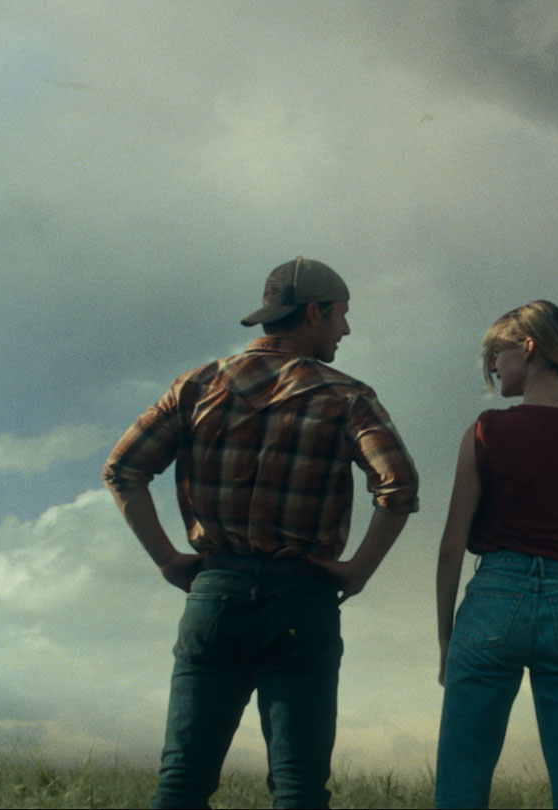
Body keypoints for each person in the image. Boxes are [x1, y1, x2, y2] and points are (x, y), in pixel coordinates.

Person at [102, 257, 419, 808]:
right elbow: (398, 484)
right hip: (302, 601)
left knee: (182, 780)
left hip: (215, 594)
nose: (346, 329)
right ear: (314, 312)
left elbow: (123, 469)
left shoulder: (195, 385)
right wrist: (358, 570)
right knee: (298, 787)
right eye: (342, 315)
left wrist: (168, 560)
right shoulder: (347, 396)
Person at [434, 300, 558, 809]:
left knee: (461, 783)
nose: (493, 366)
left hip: (493, 603)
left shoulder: (486, 431)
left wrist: (445, 640)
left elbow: (452, 546)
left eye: (496, 353)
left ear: (528, 347)